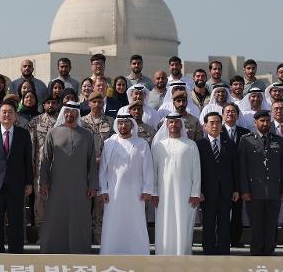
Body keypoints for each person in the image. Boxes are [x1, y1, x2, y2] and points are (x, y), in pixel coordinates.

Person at [39, 101, 98, 254]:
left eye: (73, 112)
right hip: (57, 185)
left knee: (79, 218)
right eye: (67, 111)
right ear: (63, 113)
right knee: (55, 217)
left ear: (78, 114)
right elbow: (45, 159)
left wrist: (92, 185)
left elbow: (91, 161)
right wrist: (44, 182)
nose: (69, 115)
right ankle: (53, 249)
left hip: (81, 186)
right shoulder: (53, 133)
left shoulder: (87, 135)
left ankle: (80, 250)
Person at [0, 101, 33, 253]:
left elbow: (28, 160)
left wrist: (29, 182)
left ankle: (16, 252)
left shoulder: (23, 134)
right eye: (4, 112)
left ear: (16, 115)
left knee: (16, 220)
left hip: (16, 184)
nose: (7, 115)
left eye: (10, 112)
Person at [99, 108, 154, 255]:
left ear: (132, 125)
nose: (123, 126)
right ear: (117, 124)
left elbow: (148, 169)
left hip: (135, 194)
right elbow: (103, 169)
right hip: (113, 193)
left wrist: (147, 190)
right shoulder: (109, 143)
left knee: (135, 222)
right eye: (121, 123)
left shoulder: (141, 143)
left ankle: (138, 252)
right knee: (113, 223)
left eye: (126, 123)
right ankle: (110, 252)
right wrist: (103, 190)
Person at [237, 110, 283, 256]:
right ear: (255, 123)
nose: (265, 124)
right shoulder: (246, 140)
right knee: (256, 224)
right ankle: (256, 252)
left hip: (274, 190)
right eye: (262, 121)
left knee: (271, 224)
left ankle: (269, 251)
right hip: (254, 191)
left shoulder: (278, 140)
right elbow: (242, 168)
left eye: (268, 121)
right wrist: (244, 190)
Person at [151, 113, 201, 255]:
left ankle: (182, 253)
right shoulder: (158, 146)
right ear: (167, 125)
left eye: (176, 122)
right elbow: (154, 171)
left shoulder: (191, 145)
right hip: (163, 193)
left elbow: (196, 171)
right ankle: (163, 252)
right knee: (164, 223)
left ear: (181, 124)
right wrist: (154, 192)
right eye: (171, 122)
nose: (173, 125)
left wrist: (195, 193)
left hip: (185, 193)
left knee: (183, 222)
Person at [197, 112, 238, 255]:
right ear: (205, 126)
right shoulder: (199, 145)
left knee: (224, 223)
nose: (215, 125)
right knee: (208, 223)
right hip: (207, 192)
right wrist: (198, 190)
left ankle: (223, 249)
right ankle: (208, 249)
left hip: (226, 191)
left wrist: (236, 189)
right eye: (212, 122)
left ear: (222, 125)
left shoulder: (230, 144)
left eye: (218, 123)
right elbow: (197, 170)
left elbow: (235, 168)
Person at [80, 91, 115, 244]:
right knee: (84, 205)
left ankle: (100, 240)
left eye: (100, 102)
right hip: (85, 170)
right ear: (89, 103)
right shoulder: (81, 121)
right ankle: (84, 240)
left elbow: (115, 144)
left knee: (101, 207)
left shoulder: (111, 121)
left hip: (105, 170)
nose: (97, 104)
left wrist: (104, 158)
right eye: (94, 102)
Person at [26, 94, 58, 238]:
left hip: (59, 171)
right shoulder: (35, 122)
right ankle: (41, 235)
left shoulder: (62, 121)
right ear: (43, 105)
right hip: (39, 170)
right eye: (48, 103)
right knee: (40, 204)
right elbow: (31, 148)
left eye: (53, 103)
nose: (51, 105)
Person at [222, 103, 250, 248]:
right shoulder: (216, 131)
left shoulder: (245, 132)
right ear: (222, 115)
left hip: (239, 177)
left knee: (237, 212)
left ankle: (236, 239)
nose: (230, 114)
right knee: (222, 212)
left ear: (238, 115)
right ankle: (222, 238)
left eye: (233, 112)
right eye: (227, 112)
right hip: (222, 178)